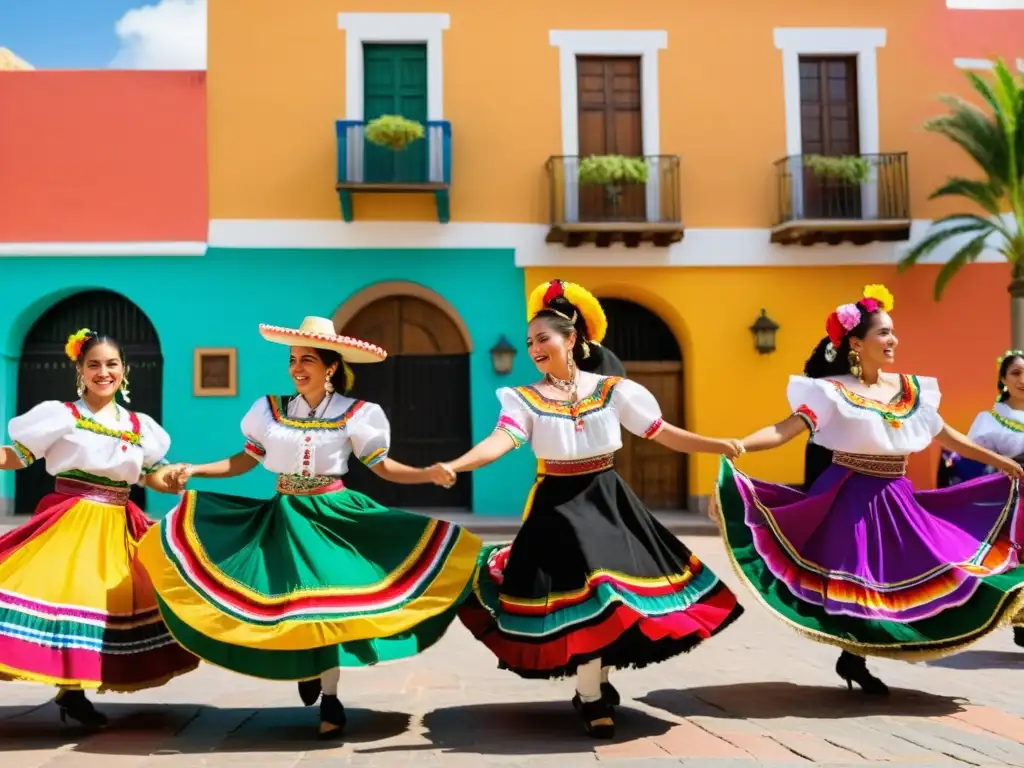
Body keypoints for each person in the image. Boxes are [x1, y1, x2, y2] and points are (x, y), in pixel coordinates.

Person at [137, 316, 480, 739]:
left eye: (308, 360)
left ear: (331, 366)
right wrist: (196, 471)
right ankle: (310, 665)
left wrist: (427, 473)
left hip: (333, 516)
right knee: (288, 603)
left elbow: (383, 467)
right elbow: (244, 461)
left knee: (327, 608)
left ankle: (331, 698)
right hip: (283, 515)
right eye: (293, 359)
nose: (297, 368)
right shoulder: (269, 410)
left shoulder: (357, 414)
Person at [440, 280, 745, 739]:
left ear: (573, 340)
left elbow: (661, 431)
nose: (535, 348)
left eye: (544, 338)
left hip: (606, 498)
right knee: (588, 590)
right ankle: (591, 693)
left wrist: (715, 444)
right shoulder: (523, 398)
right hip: (556, 506)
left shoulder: (613, 389)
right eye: (529, 343)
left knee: (613, 591)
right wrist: (457, 464)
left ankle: (595, 682)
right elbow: (501, 440)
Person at [713, 285, 1024, 696]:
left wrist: (1005, 465)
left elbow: (946, 435)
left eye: (892, 332)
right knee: (859, 579)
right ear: (856, 343)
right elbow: (784, 430)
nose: (892, 340)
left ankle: (859, 655)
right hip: (850, 494)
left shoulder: (909, 390)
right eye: (882, 333)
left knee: (930, 568)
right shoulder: (829, 391)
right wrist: (738, 445)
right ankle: (854, 656)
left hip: (897, 495)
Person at [0, 329, 198, 727]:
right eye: (93, 365)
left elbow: (150, 474)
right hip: (71, 519)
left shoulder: (139, 425)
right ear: (80, 370)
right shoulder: (61, 416)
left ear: (124, 370)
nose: (103, 372)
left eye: (111, 364)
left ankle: (74, 691)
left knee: (107, 603)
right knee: (63, 594)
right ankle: (73, 691)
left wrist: (171, 480)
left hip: (118, 522)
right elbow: (18, 456)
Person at [946, 350, 1024, 645]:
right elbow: (969, 460)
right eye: (1015, 373)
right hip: (1012, 502)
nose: (1022, 380)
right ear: (1003, 379)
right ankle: (1018, 620)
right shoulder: (989, 420)